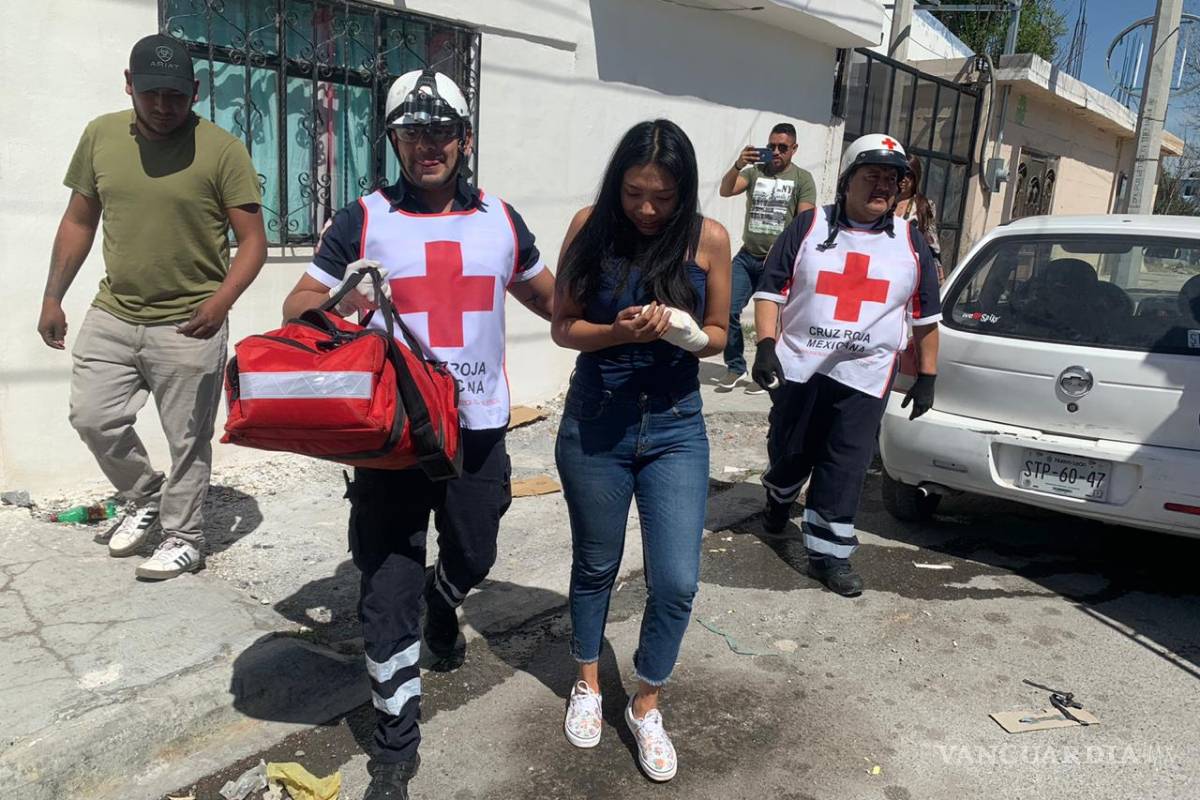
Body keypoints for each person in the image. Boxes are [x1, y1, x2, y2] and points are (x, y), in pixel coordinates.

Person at [281, 69, 554, 800]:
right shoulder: (362, 219)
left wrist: (622, 315)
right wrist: (343, 298)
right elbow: (300, 301)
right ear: (394, 140)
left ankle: (447, 596)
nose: (427, 146)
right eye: (411, 132)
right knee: (384, 588)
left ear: (465, 139)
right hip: (394, 434)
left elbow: (550, 296)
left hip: (477, 427)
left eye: (440, 132)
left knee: (476, 548)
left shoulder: (500, 218)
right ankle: (396, 746)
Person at [36, 34, 267, 580]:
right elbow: (79, 220)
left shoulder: (222, 149)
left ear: (195, 90)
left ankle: (185, 536)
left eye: (174, 95)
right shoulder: (100, 136)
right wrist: (52, 295)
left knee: (188, 439)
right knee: (92, 417)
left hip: (190, 321)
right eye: (150, 94)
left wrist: (220, 302)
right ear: (128, 86)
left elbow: (253, 240)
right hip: (114, 313)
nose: (163, 107)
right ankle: (143, 495)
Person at [552, 119, 731, 782]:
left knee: (677, 580)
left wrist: (682, 331)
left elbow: (718, 335)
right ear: (616, 184)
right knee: (597, 565)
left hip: (677, 428)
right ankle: (590, 684)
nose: (648, 209)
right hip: (597, 421)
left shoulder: (707, 238)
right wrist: (617, 331)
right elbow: (563, 328)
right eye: (634, 193)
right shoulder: (589, 227)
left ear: (682, 191)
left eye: (662, 196)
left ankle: (646, 701)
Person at [750, 134, 941, 597]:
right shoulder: (809, 226)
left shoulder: (910, 241)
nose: (882, 186)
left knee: (846, 461)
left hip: (868, 372)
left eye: (892, 179)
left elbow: (926, 315)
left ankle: (829, 555)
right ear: (847, 180)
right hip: (802, 365)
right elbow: (772, 289)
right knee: (791, 448)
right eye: (871, 175)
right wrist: (765, 345)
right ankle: (779, 496)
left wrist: (928, 376)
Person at [717, 122, 815, 392]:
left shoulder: (802, 179)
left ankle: (768, 369)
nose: (776, 152)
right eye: (771, 146)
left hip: (778, 264)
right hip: (747, 257)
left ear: (794, 149)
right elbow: (726, 191)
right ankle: (735, 367)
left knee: (774, 323)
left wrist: (784, 248)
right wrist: (738, 165)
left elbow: (805, 222)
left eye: (782, 147)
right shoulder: (754, 172)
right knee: (727, 310)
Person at [896, 154, 944, 282]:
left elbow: (932, 243)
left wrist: (939, 275)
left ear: (916, 177)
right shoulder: (884, 201)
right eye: (901, 173)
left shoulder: (924, 205)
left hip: (910, 269)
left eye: (909, 175)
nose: (904, 179)